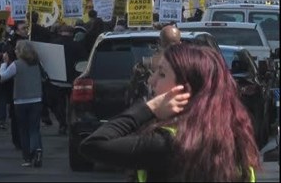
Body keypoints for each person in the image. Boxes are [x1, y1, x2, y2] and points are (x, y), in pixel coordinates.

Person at [79, 44, 260, 182]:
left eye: (162, 74)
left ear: (184, 90)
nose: (151, 80)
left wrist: (148, 108)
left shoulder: (166, 143)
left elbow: (93, 145)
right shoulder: (235, 140)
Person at [0, 40, 44, 168]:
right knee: (34, 128)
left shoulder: (16, 64)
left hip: (21, 100)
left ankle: (27, 157)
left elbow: (3, 77)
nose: (15, 51)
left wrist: (4, 63)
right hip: (36, 99)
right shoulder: (37, 63)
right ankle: (37, 149)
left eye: (17, 49)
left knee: (23, 130)